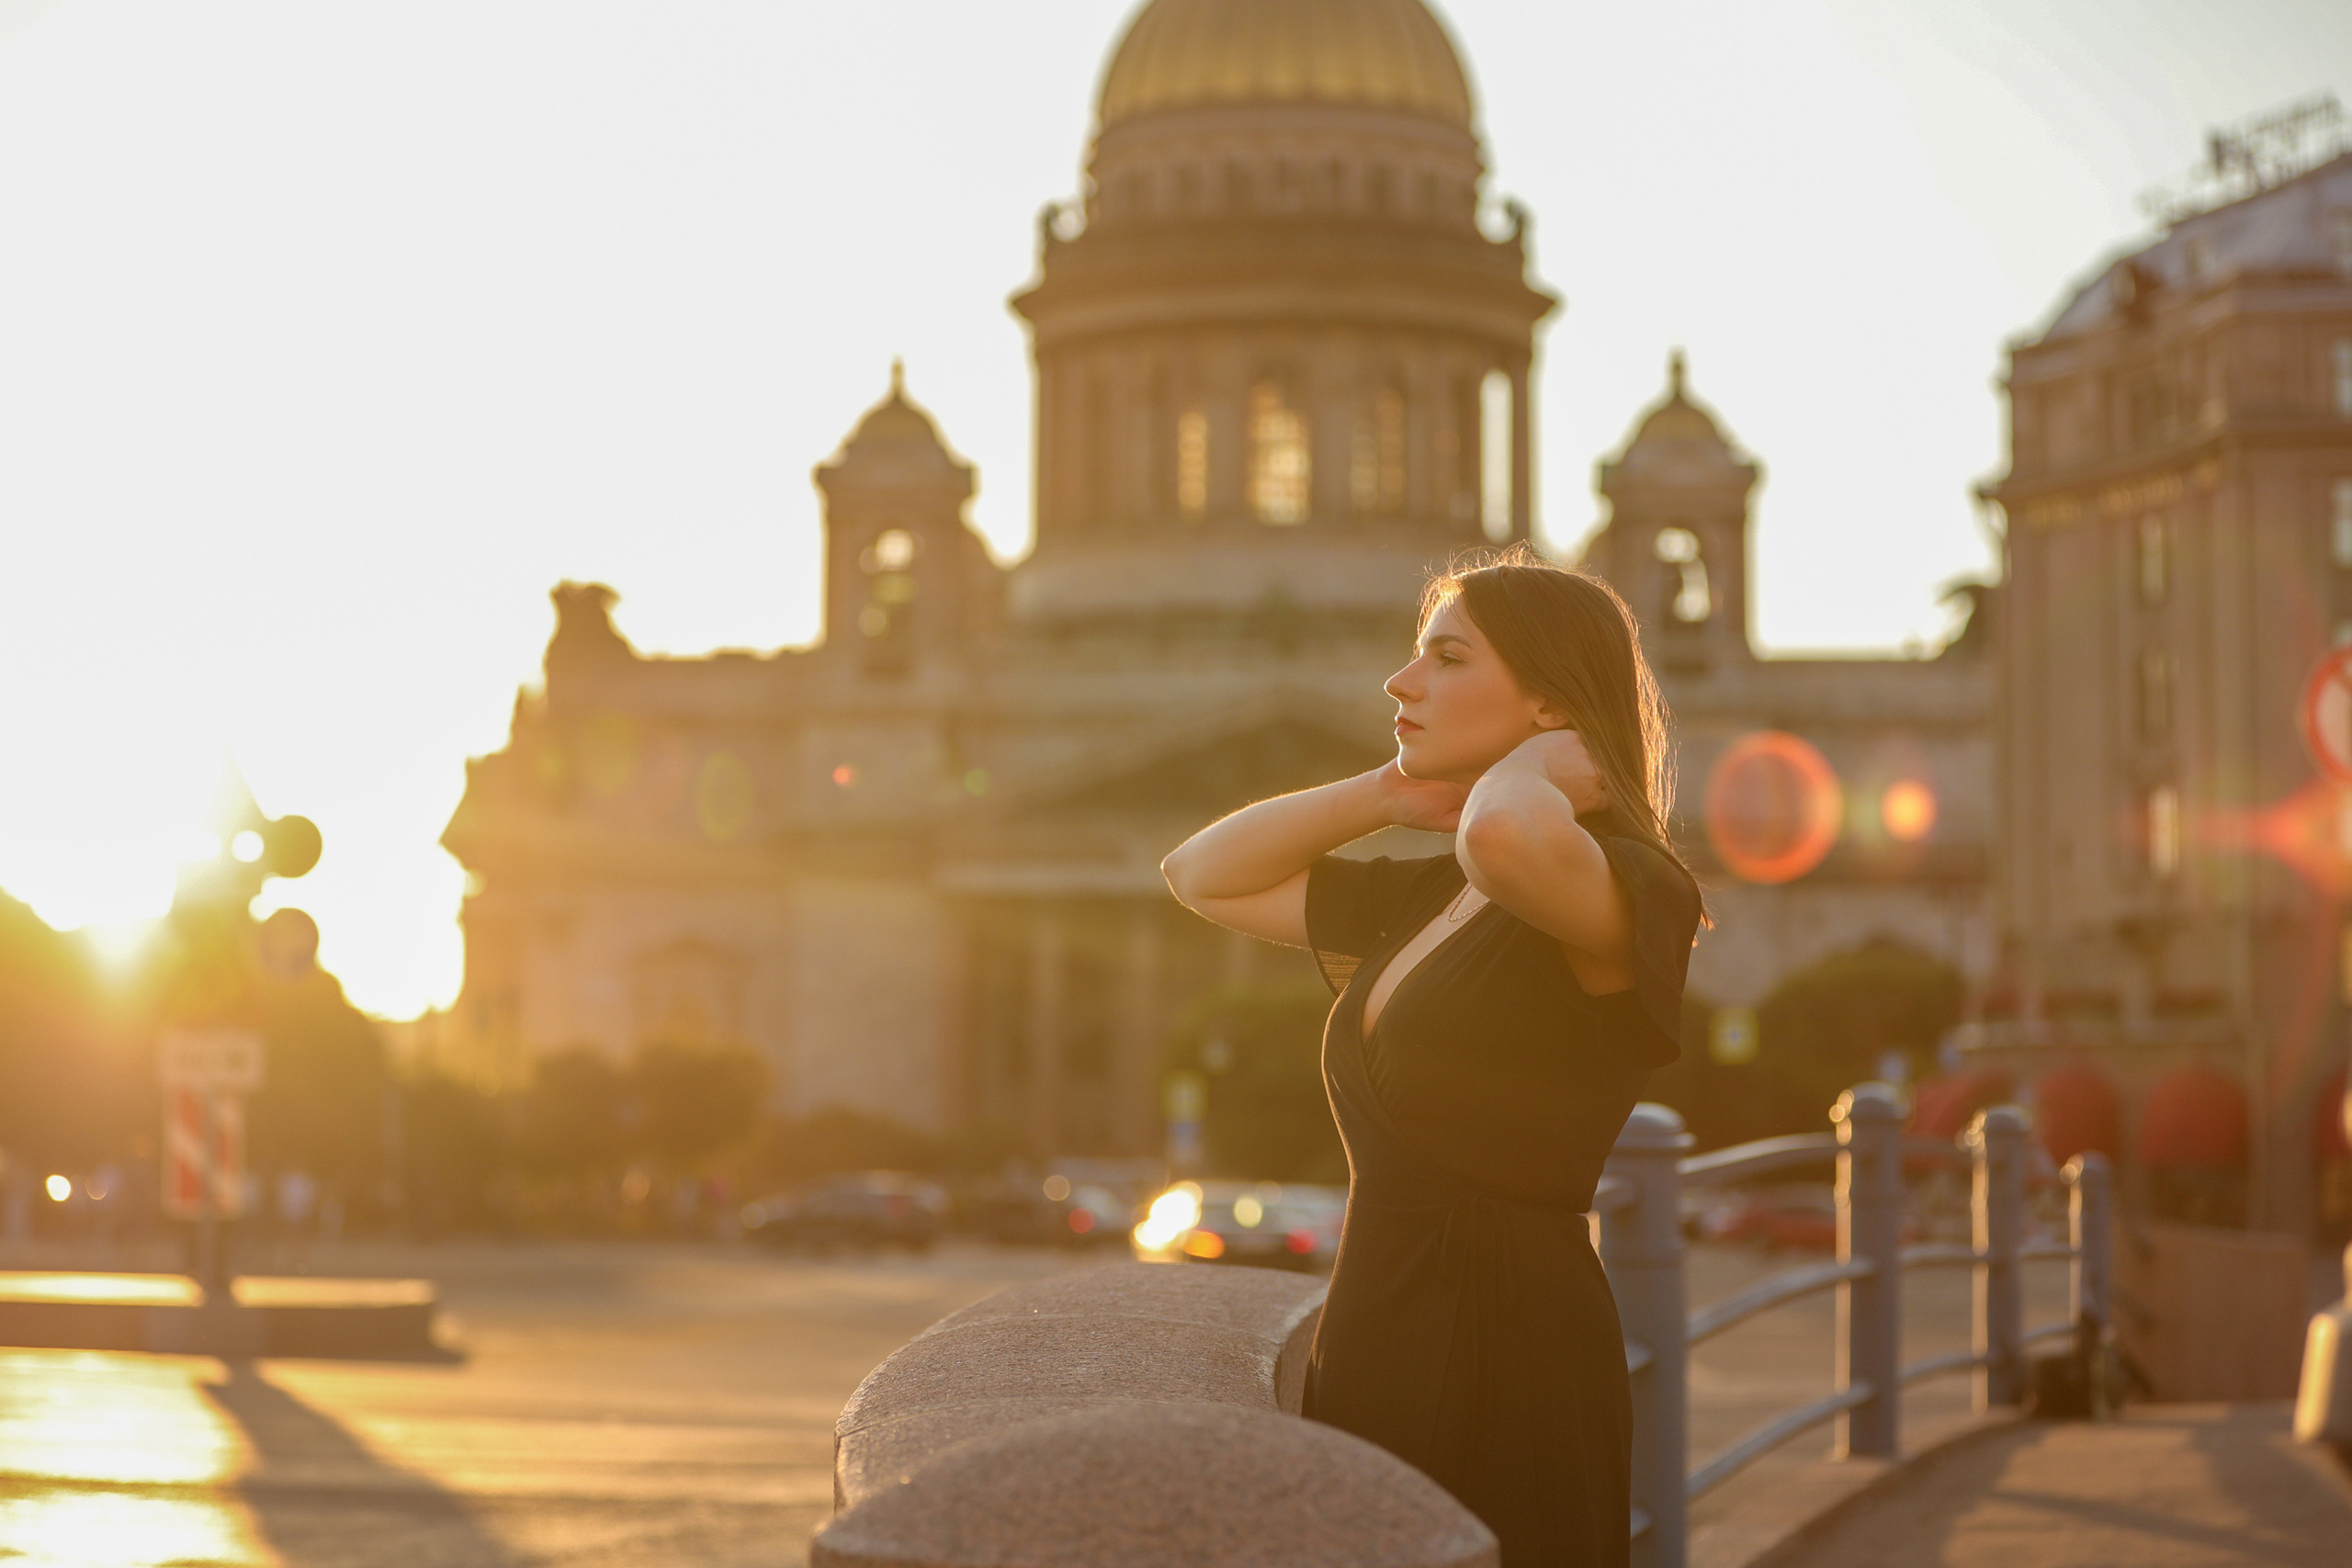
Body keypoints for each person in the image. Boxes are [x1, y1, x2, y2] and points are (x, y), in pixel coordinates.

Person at [1160, 547, 1703, 1567]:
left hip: (1511, 1353)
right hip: (1377, 1327)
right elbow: (1199, 873)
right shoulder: (1429, 900)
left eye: (1447, 658)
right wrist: (1384, 793)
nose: (1400, 682)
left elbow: (1502, 837)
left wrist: (1535, 769)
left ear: (1549, 702)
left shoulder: (1633, 888)